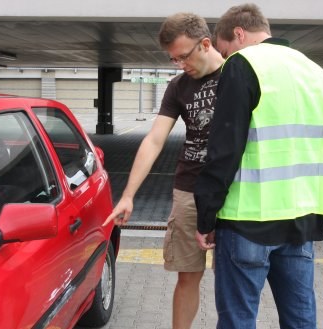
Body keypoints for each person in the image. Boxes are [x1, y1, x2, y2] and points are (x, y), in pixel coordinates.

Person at [194, 3, 323, 329]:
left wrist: (205, 217)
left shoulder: (243, 64)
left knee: (238, 319)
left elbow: (224, 149)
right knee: (300, 318)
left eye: (224, 48)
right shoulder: (314, 71)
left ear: (239, 34)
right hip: (302, 220)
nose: (224, 56)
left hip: (248, 221)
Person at [103, 12, 225, 329]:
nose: (180, 64)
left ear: (206, 44)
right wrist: (128, 196)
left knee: (233, 276)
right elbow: (155, 139)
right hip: (189, 191)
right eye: (173, 59)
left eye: (183, 56)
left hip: (234, 189)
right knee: (188, 275)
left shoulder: (236, 74)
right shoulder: (178, 87)